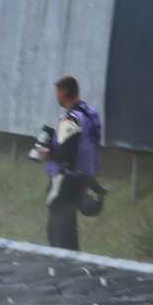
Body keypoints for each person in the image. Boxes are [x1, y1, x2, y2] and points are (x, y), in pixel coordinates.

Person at [33, 74, 105, 252]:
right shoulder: (90, 113)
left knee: (59, 235)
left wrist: (47, 153)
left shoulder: (71, 118)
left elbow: (66, 154)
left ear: (64, 93)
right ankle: (71, 263)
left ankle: (65, 267)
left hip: (65, 181)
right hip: (83, 177)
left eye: (57, 92)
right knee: (68, 232)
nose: (56, 96)